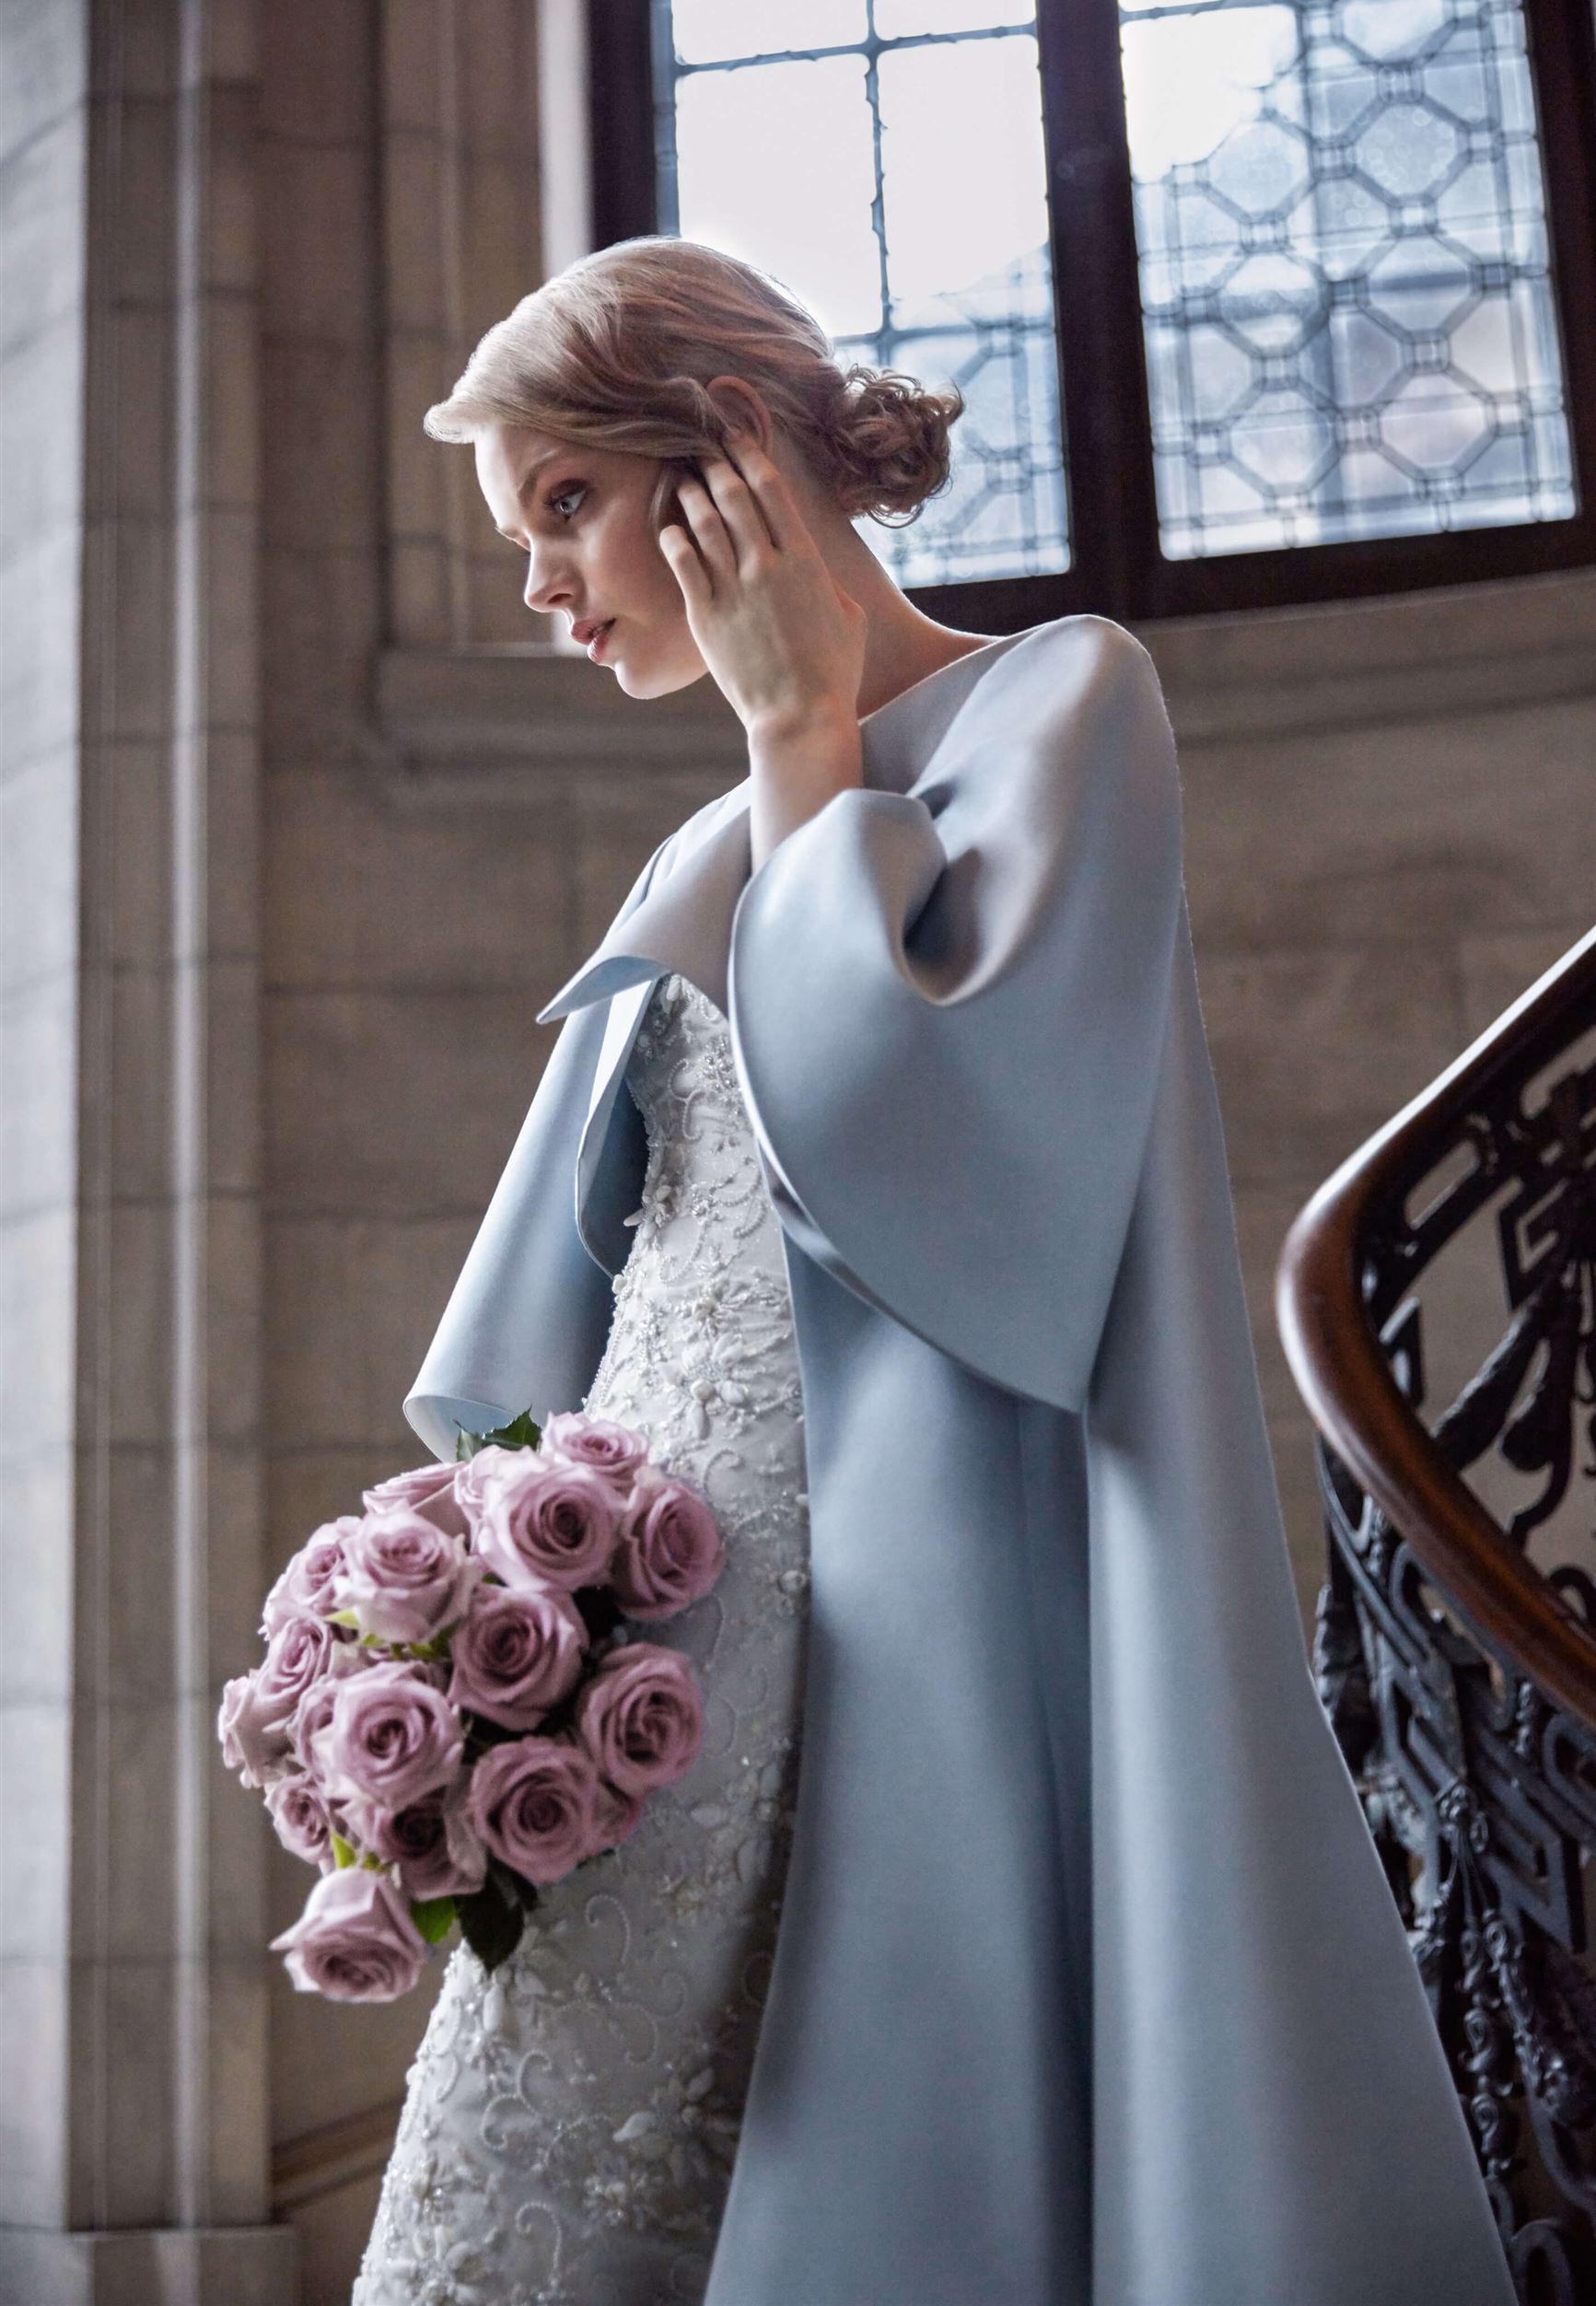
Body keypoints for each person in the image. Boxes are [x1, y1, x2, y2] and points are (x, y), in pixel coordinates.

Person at [354, 238, 1518, 2305]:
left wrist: (805, 732)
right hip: (661, 1644)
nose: (538, 586)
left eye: (562, 505)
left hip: (920, 1613)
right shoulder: (701, 837)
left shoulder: (1067, 694)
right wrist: (489, 1596)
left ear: (725, 459)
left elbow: (959, 1181)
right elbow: (602, 1272)